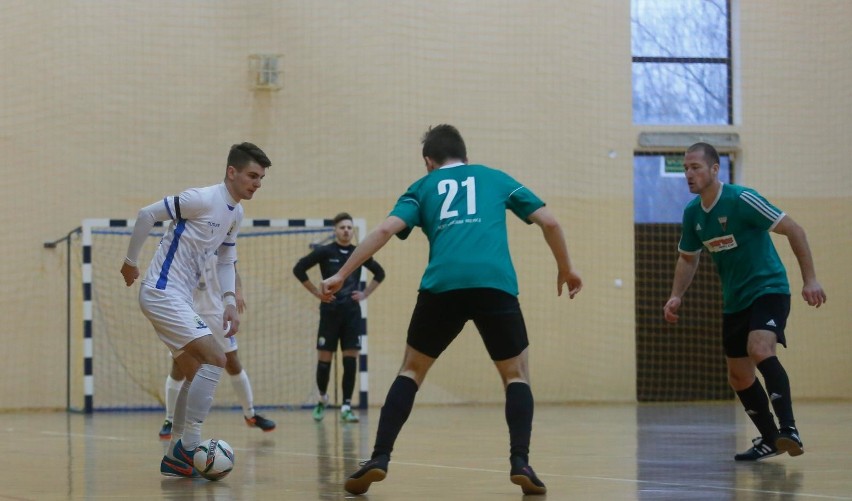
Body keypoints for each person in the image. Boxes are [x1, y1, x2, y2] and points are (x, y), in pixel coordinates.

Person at [321, 124, 582, 495]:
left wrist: (341, 274)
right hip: (494, 284)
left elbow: (384, 231)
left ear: (429, 161)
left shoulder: (422, 187)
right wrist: (565, 268)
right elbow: (550, 221)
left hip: (442, 287)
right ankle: (520, 462)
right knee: (516, 375)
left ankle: (379, 457)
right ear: (465, 156)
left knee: (410, 371)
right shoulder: (494, 178)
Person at [663, 142, 826, 462]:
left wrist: (810, 279)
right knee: (738, 376)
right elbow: (687, 259)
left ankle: (789, 429)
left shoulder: (742, 199)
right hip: (734, 300)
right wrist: (675, 295)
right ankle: (768, 439)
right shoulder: (693, 214)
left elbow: (794, 230)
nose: (688, 174)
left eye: (695, 167)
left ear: (714, 169)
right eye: (684, 169)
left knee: (760, 348)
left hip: (769, 289)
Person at [120, 142, 271, 478]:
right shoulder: (201, 199)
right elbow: (147, 214)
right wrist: (131, 262)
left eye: (261, 178)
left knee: (196, 370)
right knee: (217, 359)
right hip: (161, 292)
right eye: (252, 175)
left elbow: (227, 259)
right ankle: (189, 446)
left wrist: (230, 302)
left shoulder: (236, 213)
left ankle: (177, 453)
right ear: (232, 172)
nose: (257, 183)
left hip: (178, 298)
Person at [158, 255, 275, 440]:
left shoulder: (221, 238)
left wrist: (238, 292)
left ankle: (250, 414)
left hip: (216, 312)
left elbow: (232, 269)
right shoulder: (182, 242)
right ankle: (170, 420)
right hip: (188, 311)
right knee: (178, 366)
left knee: (232, 363)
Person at [293, 212, 386, 423]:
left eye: (349, 227)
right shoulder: (325, 251)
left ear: (353, 231)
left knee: (350, 360)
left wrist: (365, 294)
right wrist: (317, 293)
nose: (346, 230)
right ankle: (322, 400)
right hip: (330, 313)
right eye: (342, 227)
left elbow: (380, 273)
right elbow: (299, 269)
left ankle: (346, 406)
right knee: (324, 360)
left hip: (352, 314)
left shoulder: (359, 253)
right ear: (335, 230)